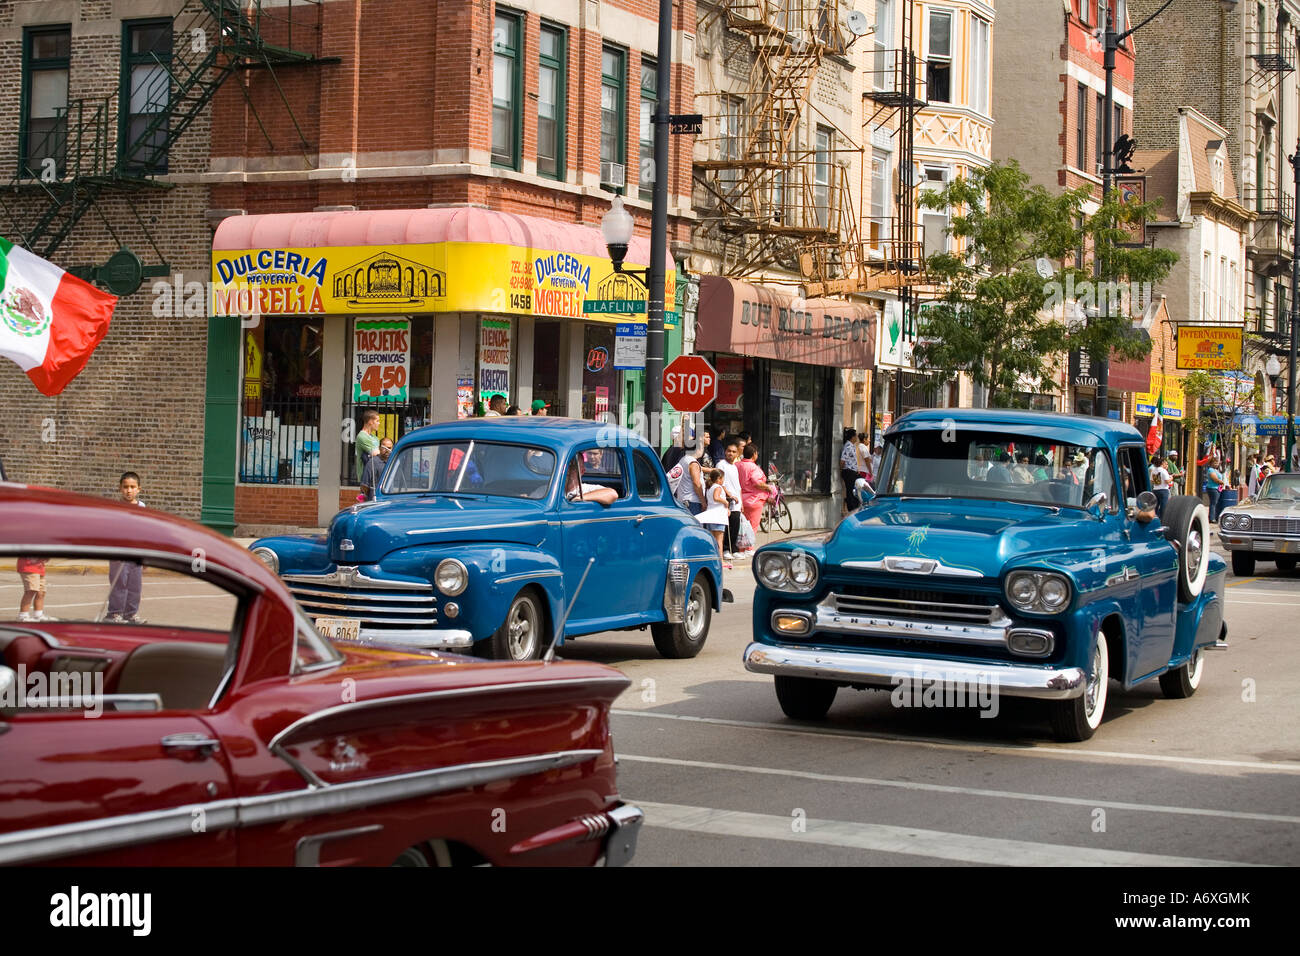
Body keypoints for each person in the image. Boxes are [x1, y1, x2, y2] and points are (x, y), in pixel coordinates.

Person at [107, 472, 146, 624]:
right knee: (119, 583)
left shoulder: (142, 507)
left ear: (138, 489)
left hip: (136, 553)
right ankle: (114, 613)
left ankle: (131, 613)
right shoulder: (114, 507)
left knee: (135, 585)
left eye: (132, 487)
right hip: (119, 552)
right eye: (125, 487)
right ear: (120, 488)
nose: (129, 490)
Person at [695, 468, 731, 568]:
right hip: (718, 516)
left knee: (712, 539)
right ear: (719, 478)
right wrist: (725, 502)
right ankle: (720, 560)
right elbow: (716, 497)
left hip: (711, 514)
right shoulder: (718, 487)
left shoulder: (710, 488)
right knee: (719, 539)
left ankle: (712, 559)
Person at [737, 442, 775, 534]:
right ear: (754, 454)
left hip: (740, 501)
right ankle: (748, 548)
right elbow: (757, 482)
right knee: (751, 528)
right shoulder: (753, 467)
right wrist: (768, 487)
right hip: (753, 500)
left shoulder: (736, 465)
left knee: (741, 528)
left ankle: (742, 548)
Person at [718, 441, 744, 558]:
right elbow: (719, 482)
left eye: (734, 452)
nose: (731, 454)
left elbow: (738, 486)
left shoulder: (734, 467)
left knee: (735, 525)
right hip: (727, 499)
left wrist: (741, 501)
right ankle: (726, 549)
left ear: (737, 454)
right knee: (727, 526)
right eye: (729, 451)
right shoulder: (721, 465)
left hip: (737, 502)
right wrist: (728, 494)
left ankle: (734, 548)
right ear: (725, 452)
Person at [17, 556, 54, 622]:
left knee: (41, 592)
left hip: (39, 567)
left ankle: (38, 615)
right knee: (31, 591)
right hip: (28, 566)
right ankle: (23, 616)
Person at [674, 440, 706, 514]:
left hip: (683, 500)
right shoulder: (693, 463)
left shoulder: (683, 460)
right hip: (692, 502)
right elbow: (696, 483)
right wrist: (703, 502)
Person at [840, 427, 861, 512]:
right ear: (852, 437)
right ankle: (851, 508)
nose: (856, 437)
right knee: (850, 491)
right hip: (849, 472)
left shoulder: (852, 446)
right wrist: (841, 469)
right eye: (855, 436)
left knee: (854, 491)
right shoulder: (848, 446)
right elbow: (842, 460)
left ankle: (855, 507)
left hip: (853, 472)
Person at [355, 409, 380, 479]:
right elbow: (376, 453)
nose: (379, 423)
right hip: (366, 477)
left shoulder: (375, 437)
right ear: (370, 422)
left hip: (375, 475)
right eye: (377, 421)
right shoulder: (362, 436)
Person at [1149, 453, 1172, 520]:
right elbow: (1167, 481)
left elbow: (1152, 480)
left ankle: (1154, 518)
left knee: (1155, 506)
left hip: (1155, 489)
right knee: (1163, 506)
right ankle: (1162, 519)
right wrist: (1171, 478)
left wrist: (1157, 482)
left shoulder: (1153, 470)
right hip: (1163, 490)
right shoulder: (1163, 471)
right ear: (1161, 464)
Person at [1204, 456, 1227, 523]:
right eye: (1215, 463)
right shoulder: (1210, 470)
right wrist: (1222, 482)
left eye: (1217, 463)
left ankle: (1214, 517)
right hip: (1212, 488)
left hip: (1217, 488)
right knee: (1213, 503)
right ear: (1211, 463)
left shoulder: (1216, 470)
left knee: (1215, 503)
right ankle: (1212, 518)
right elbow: (1215, 479)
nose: (1216, 464)